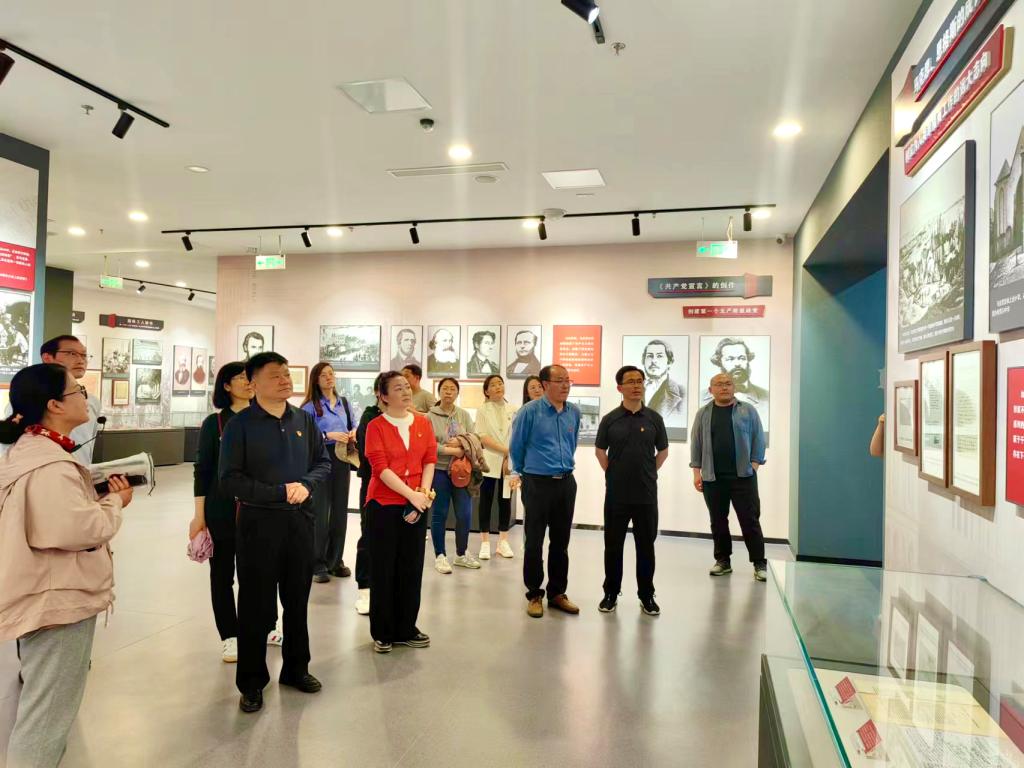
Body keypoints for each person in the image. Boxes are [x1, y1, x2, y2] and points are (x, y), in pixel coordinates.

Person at [0, 363, 133, 768]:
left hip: (43, 591)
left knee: (37, 707)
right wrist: (114, 502)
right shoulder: (49, 465)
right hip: (57, 598)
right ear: (54, 405)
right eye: (77, 390)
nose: (85, 397)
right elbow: (77, 529)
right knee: (45, 718)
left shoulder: (33, 451)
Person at [219, 352, 331, 713]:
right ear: (253, 383)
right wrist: (279, 492)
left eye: (286, 374)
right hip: (258, 525)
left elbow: (323, 463)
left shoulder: (303, 419)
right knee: (255, 605)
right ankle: (252, 683)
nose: (285, 380)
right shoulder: (240, 425)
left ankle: (297, 669)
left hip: (300, 522)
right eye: (275, 375)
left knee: (297, 601)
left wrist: (306, 485)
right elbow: (230, 479)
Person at [363, 370, 437, 653]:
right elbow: (380, 468)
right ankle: (382, 631)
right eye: (397, 388)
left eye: (407, 387)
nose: (406, 391)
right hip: (384, 504)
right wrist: (411, 495)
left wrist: (423, 492)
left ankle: (406, 627)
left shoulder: (422, 422)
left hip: (417, 502)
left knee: (411, 566)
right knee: (384, 568)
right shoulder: (376, 426)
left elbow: (429, 459)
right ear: (383, 396)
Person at [508, 365, 582, 618]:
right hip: (537, 483)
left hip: (566, 482)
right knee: (534, 541)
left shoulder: (574, 412)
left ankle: (557, 592)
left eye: (568, 380)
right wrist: (518, 473)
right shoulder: (529, 412)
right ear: (545, 384)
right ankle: (534, 594)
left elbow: (571, 444)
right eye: (560, 380)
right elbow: (516, 446)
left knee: (561, 542)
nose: (565, 385)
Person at [191, 362, 253, 663]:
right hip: (222, 510)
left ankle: (264, 626)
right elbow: (202, 471)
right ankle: (230, 635)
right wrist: (199, 515)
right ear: (226, 386)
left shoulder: (264, 420)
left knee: (258, 574)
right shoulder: (214, 423)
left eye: (249, 376)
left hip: (258, 509)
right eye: (240, 377)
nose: (247, 382)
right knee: (222, 575)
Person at [595, 366, 669, 615]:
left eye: (640, 381)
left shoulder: (654, 418)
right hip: (616, 494)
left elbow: (663, 451)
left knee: (646, 546)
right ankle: (610, 593)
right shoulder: (610, 419)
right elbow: (600, 451)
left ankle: (646, 595)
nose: (637, 385)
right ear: (620, 387)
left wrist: (649, 471)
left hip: (646, 495)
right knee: (613, 545)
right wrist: (612, 473)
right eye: (631, 381)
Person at [690, 372, 768, 582]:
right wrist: (696, 473)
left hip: (744, 477)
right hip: (713, 478)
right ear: (711, 390)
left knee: (750, 520)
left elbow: (759, 438)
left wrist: (754, 465)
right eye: (719, 384)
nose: (724, 387)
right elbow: (696, 444)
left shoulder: (748, 410)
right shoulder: (703, 414)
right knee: (718, 521)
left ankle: (759, 563)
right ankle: (723, 560)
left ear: (734, 387)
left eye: (728, 384)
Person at [301, 362, 357, 583]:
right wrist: (328, 435)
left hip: (342, 458)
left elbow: (353, 425)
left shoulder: (344, 403)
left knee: (340, 511)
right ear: (316, 379)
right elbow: (305, 436)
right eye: (323, 375)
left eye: (331, 374)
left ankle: (335, 561)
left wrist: (353, 433)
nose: (328, 377)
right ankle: (317, 563)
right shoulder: (309, 407)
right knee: (320, 511)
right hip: (320, 459)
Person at [427, 378, 479, 572]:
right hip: (439, 470)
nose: (448, 392)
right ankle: (440, 555)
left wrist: (460, 443)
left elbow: (474, 439)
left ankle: (461, 554)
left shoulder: (463, 415)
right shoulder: (429, 417)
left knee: (465, 514)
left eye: (452, 389)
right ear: (439, 392)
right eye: (445, 388)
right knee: (439, 513)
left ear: (457, 393)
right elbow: (428, 445)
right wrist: (450, 450)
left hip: (461, 471)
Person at [37, 335, 103, 465]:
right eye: (72, 353)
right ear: (47, 358)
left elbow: (87, 450)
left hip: (78, 474)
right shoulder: (27, 399)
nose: (81, 360)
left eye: (84, 355)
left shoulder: (92, 402)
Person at [475, 374, 517, 560]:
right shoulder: (483, 410)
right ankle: (485, 542)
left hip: (509, 462)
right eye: (493, 385)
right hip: (490, 460)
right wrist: (506, 451)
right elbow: (483, 437)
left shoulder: (514, 409)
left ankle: (503, 542)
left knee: (505, 500)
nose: (498, 387)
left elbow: (517, 435)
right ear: (486, 391)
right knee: (486, 501)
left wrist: (510, 457)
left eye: (500, 383)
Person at [353, 374, 385, 616]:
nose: (404, 393)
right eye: (397, 388)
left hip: (402, 488)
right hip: (374, 483)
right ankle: (364, 589)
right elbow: (370, 454)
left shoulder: (409, 418)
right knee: (370, 535)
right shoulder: (370, 417)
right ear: (379, 393)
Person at [701, 338, 769, 421]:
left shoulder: (766, 397)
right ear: (719, 362)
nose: (737, 364)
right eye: (730, 359)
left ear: (748, 360)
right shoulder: (702, 398)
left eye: (742, 358)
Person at [641, 339, 685, 419]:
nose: (654, 361)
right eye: (650, 356)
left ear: (669, 362)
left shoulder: (682, 392)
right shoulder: (635, 389)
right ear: (643, 361)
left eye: (659, 356)